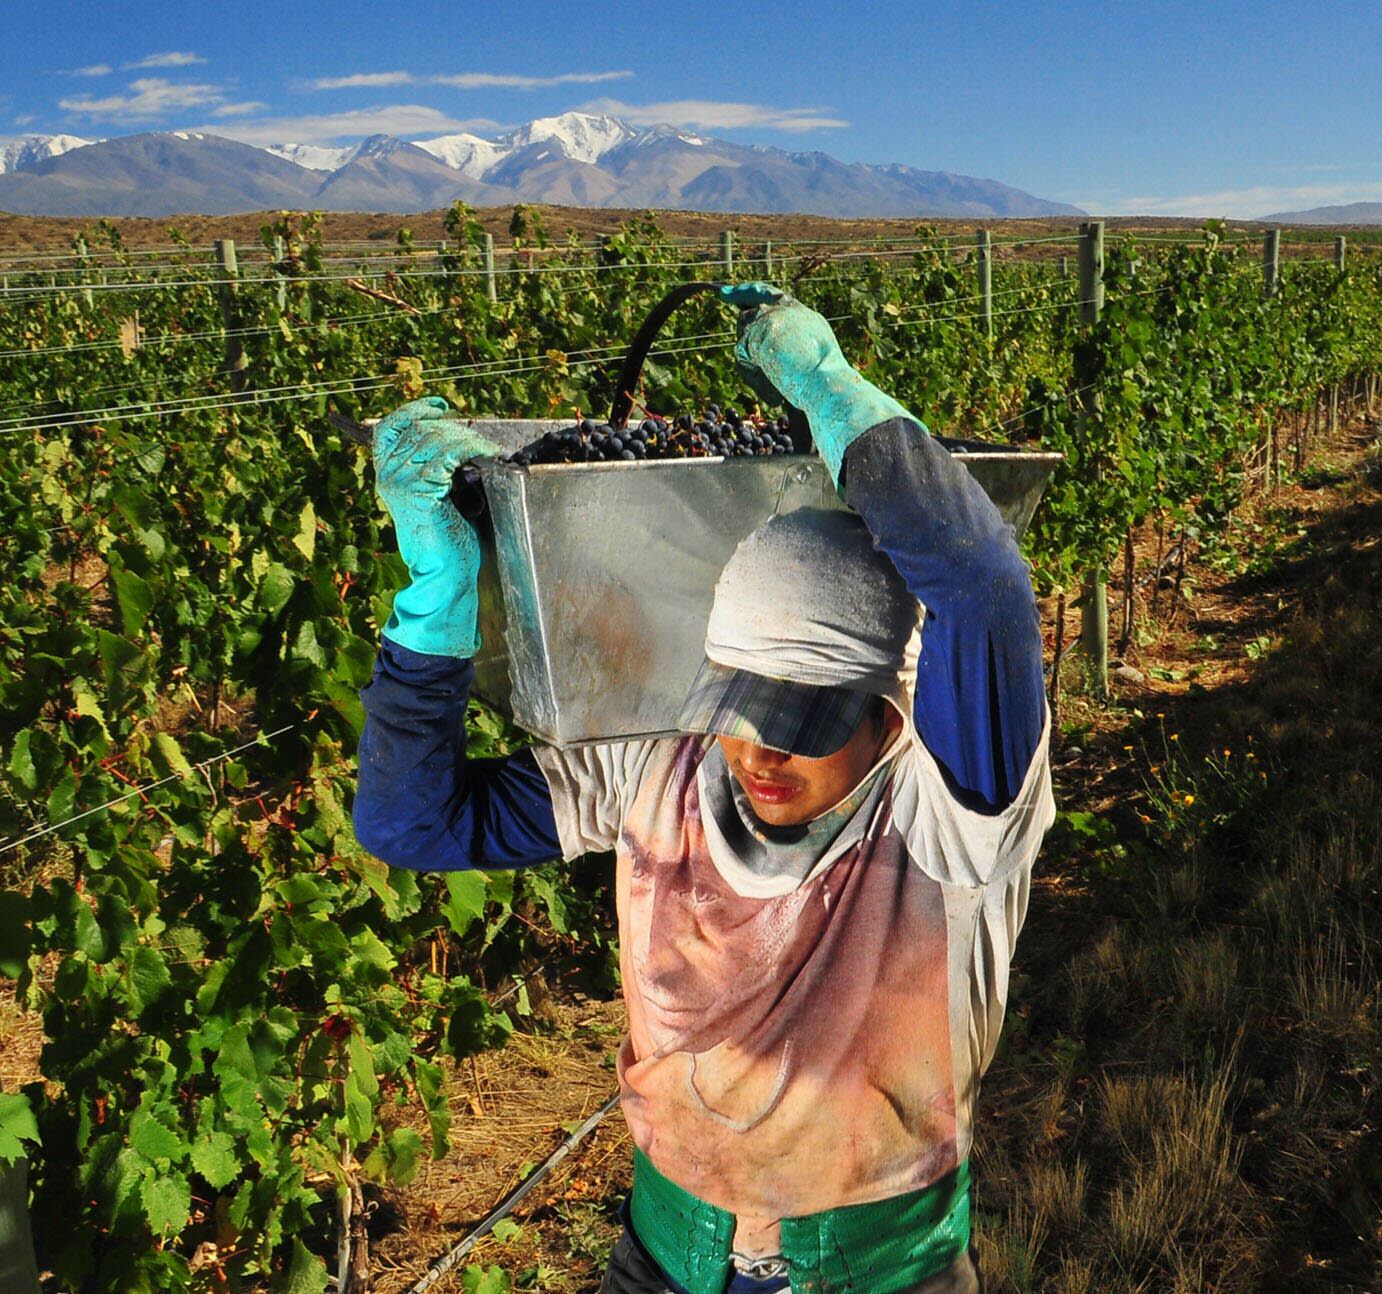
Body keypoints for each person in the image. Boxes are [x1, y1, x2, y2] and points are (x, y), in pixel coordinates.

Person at [353, 283, 1053, 1294]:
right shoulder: (660, 769)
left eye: (802, 728)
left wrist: (826, 387)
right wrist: (437, 602)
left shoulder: (949, 819)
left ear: (889, 708)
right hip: (661, 1261)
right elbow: (413, 821)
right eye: (740, 715)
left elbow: (981, 585)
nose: (758, 756)